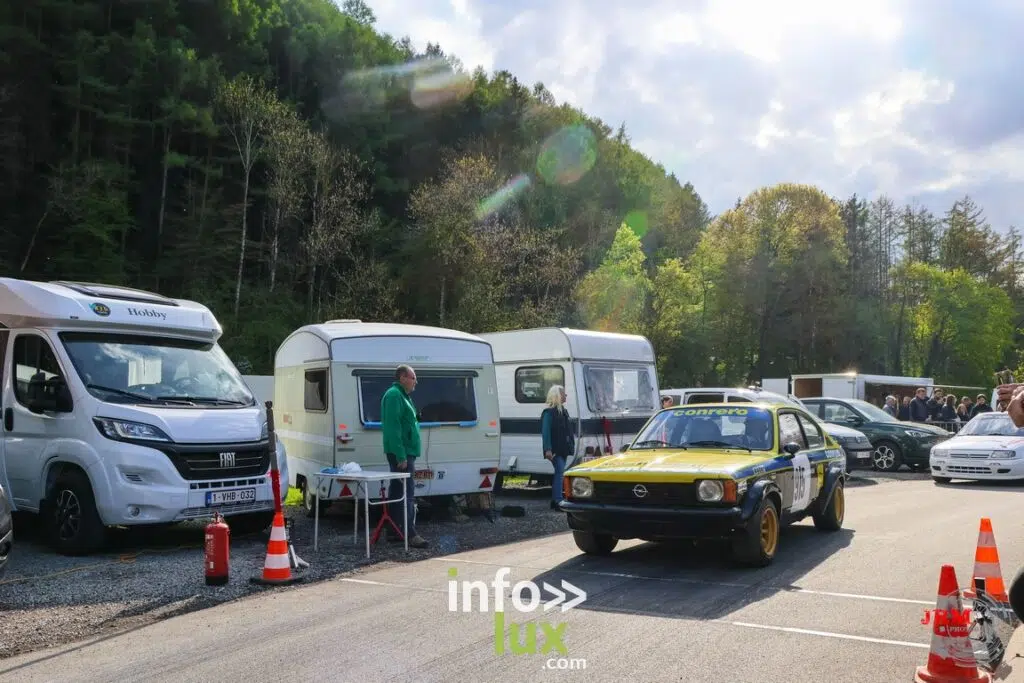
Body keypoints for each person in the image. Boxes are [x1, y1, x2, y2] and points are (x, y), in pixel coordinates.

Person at [380, 364, 428, 548]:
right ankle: (410, 533)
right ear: (403, 378)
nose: (416, 381)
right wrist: (400, 456)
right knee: (407, 492)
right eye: (413, 377)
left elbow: (406, 421)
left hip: (407, 451)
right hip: (402, 453)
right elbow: (393, 428)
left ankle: (394, 531)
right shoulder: (394, 395)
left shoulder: (403, 396)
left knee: (397, 491)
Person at [541, 384, 574, 510]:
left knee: (560, 472)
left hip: (563, 448)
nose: (566, 395)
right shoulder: (548, 413)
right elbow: (546, 432)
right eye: (563, 393)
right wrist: (547, 449)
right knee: (560, 472)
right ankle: (558, 500)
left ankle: (556, 500)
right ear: (558, 395)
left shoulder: (564, 412)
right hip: (555, 449)